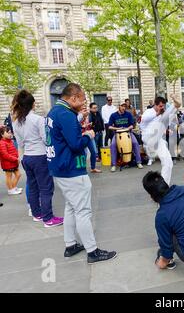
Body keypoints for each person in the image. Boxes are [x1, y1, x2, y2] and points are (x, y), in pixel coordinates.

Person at [46, 83, 117, 264]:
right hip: (71, 169)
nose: (84, 102)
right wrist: (89, 135)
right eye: (83, 98)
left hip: (59, 167)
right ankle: (92, 252)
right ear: (73, 98)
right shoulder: (65, 114)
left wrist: (78, 120)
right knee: (83, 211)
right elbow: (76, 144)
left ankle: (70, 245)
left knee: (71, 207)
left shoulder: (54, 112)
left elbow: (62, 133)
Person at [12, 90, 63, 226]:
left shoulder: (16, 122)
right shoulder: (38, 119)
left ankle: (37, 214)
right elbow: (46, 140)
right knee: (46, 188)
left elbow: (20, 143)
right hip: (40, 157)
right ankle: (48, 218)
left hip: (27, 157)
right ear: (32, 104)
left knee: (33, 186)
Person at [140, 95, 181, 184]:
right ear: (155, 104)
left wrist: (165, 131)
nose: (162, 108)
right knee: (164, 117)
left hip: (158, 139)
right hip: (148, 137)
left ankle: (163, 184)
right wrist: (158, 113)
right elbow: (144, 120)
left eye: (163, 106)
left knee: (168, 162)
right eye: (160, 106)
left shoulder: (161, 115)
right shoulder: (149, 112)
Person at [109, 102, 143, 172]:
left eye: (124, 106)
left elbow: (132, 125)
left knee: (135, 143)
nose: (123, 108)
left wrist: (128, 128)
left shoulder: (128, 114)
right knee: (113, 145)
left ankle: (138, 162)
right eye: (122, 106)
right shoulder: (113, 115)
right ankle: (113, 165)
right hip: (117, 134)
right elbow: (109, 126)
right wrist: (117, 129)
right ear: (119, 106)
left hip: (128, 132)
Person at [0, 126, 22, 195]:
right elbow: (5, 155)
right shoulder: (2, 143)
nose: (10, 134)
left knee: (18, 174)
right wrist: (15, 159)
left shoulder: (10, 141)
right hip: (7, 163)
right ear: (2, 134)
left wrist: (17, 157)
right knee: (9, 176)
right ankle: (10, 190)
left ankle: (13, 187)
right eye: (8, 133)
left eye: (10, 132)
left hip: (13, 162)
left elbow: (14, 150)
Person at [79, 108, 101, 173]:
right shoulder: (77, 118)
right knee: (84, 153)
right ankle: (82, 169)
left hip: (89, 135)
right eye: (84, 111)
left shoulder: (87, 117)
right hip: (82, 137)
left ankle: (93, 168)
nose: (86, 112)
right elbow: (76, 130)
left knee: (94, 152)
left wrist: (89, 127)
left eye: (86, 111)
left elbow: (88, 127)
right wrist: (83, 128)